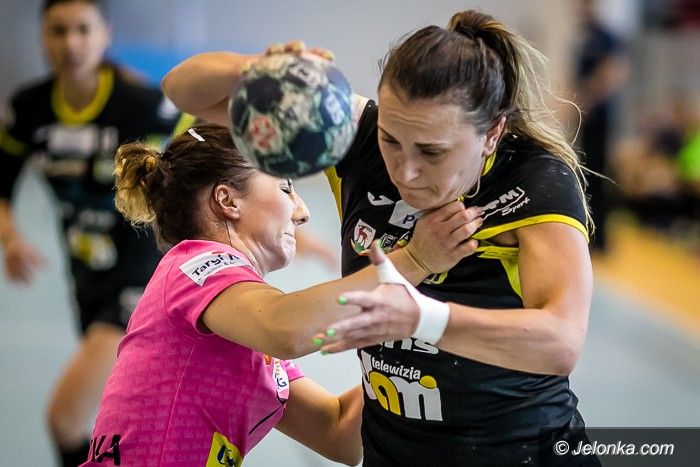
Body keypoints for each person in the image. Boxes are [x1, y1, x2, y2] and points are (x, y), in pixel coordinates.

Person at [162, 9, 598, 466]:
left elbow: (561, 342)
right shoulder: (355, 139)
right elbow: (181, 90)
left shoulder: (534, 180)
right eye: (391, 140)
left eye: (432, 152)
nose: (405, 171)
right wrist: (256, 71)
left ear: (492, 133)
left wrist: (421, 319)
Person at [81, 123, 481, 466]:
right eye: (286, 188)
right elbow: (285, 329)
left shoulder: (247, 333)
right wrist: (413, 260)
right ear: (227, 200)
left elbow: (339, 434)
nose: (302, 211)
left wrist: (420, 348)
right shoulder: (192, 265)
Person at [0, 1, 179, 465]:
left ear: (105, 35)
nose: (71, 43)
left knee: (65, 420)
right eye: (58, 31)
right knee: (119, 428)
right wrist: (11, 239)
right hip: (86, 278)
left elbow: (207, 153)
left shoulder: (139, 104)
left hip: (145, 277)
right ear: (43, 38)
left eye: (83, 29)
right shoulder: (29, 108)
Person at [573, 0, 628, 252]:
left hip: (601, 117)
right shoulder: (584, 37)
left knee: (600, 174)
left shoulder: (606, 37)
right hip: (586, 115)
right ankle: (590, 231)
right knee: (586, 172)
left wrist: (589, 97)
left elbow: (614, 72)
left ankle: (602, 238)